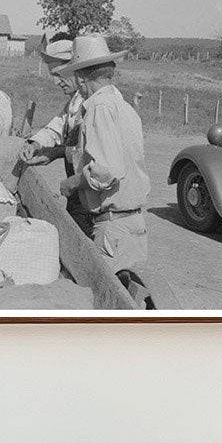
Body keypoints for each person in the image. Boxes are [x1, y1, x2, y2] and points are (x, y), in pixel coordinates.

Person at [55, 34, 151, 287]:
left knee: (97, 299)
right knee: (129, 297)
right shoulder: (124, 107)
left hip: (112, 227)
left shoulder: (98, 108)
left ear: (79, 77)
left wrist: (73, 183)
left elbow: (106, 172)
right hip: (133, 224)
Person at [19, 34, 90, 231]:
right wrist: (35, 144)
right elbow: (56, 128)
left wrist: (56, 153)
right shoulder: (75, 101)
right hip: (79, 191)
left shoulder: (95, 104)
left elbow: (91, 154)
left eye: (59, 75)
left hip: (92, 196)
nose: (56, 82)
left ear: (75, 69)